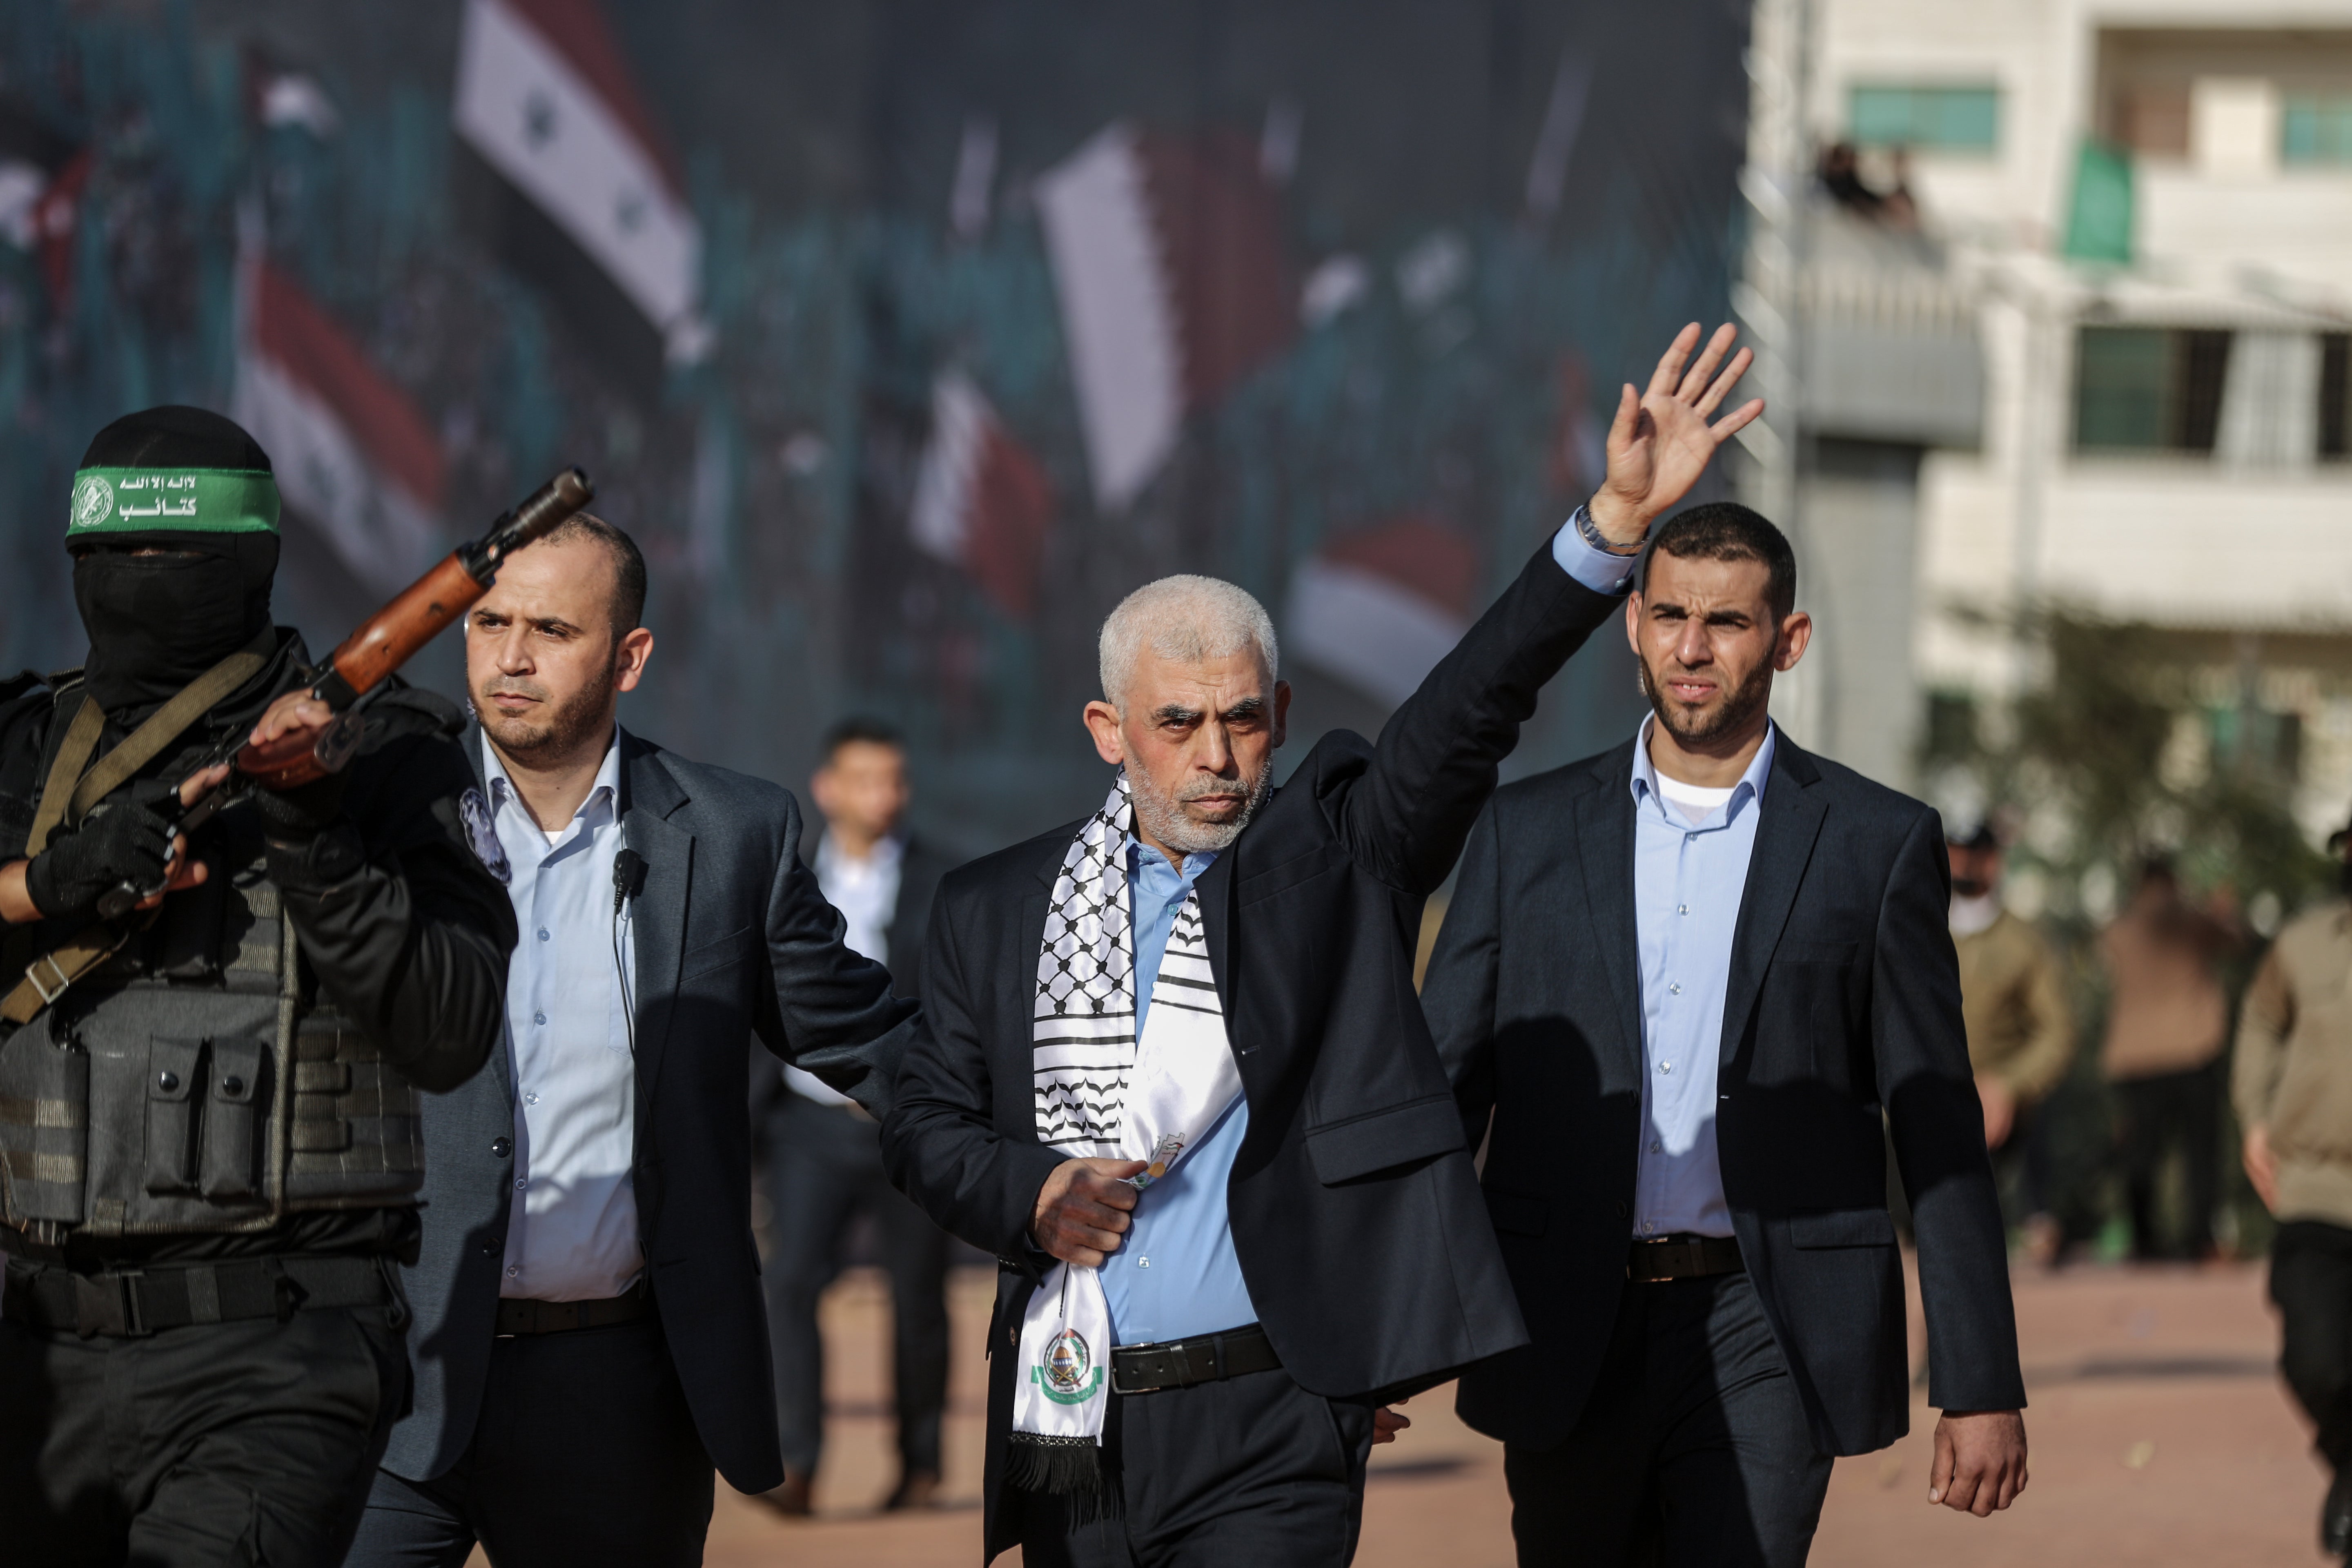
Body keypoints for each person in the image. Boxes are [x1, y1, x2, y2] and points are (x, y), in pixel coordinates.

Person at [883, 322, 1762, 1566]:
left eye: (1243, 719)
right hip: (1072, 1415)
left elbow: (1471, 705)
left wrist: (1610, 526)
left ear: (1284, 714)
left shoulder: (1341, 856)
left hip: (1275, 1420)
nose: (1216, 754)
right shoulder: (994, 907)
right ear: (1107, 729)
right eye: (1176, 722)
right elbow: (924, 1120)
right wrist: (1027, 1191)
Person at [1422, 503, 2029, 1567]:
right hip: (1565, 1316)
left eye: (1727, 622)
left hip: (1772, 1323)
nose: (1691, 648)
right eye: (1669, 616)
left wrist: (1978, 1381)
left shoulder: (1877, 844)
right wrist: (1383, 1334)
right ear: (1634, 625)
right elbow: (1442, 1093)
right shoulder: (1526, 831)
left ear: (1787, 641)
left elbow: (1937, 1122)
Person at [344, 514, 919, 1566]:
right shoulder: (377, 819)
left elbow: (867, 1040)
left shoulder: (734, 833)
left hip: (616, 1396)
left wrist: (1036, 1155)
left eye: (552, 629)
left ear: (630, 656)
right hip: (387, 1379)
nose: (511, 657)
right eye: (490, 623)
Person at [0, 406, 516, 1564]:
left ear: (251, 564)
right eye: (116, 554)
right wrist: (52, 880)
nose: (141, 578)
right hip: (37, 1357)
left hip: (275, 1354)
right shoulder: (25, 753)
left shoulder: (389, 752)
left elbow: (448, 1027)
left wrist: (315, 838)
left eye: (174, 555)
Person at [749, 716, 957, 1515]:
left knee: (918, 1295)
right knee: (790, 1282)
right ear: (828, 788)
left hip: (909, 1125)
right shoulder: (787, 876)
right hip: (808, 1123)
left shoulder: (945, 880)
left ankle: (921, 1464)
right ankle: (796, 1463)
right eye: (866, 780)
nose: (884, 795)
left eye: (895, 780)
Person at [2233, 810, 2352, 1558]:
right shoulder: (2304, 946)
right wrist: (2254, 1117)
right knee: (2316, 1361)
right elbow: (2260, 1020)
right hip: (2317, 1189)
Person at [2097, 857, 2238, 1261]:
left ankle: (2144, 1238)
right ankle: (2201, 1237)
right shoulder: (2191, 920)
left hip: (2136, 1056)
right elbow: (2236, 941)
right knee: (2201, 1152)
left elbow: (2104, 954)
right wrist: (2223, 912)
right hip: (2193, 1048)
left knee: (2140, 1153)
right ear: (2173, 881)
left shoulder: (2120, 927)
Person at [1947, 820, 2074, 1233]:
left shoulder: (2024, 943)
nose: (1960, 864)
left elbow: (2057, 1032)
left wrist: (2009, 1085)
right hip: (1926, 1101)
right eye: (1952, 853)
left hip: (2003, 1110)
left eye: (1972, 854)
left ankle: (2037, 1219)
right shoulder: (1915, 931)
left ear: (1993, 862)